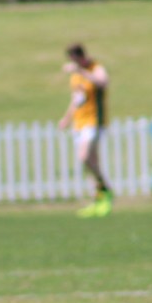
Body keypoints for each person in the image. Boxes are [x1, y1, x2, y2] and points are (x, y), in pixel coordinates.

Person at [57, 43, 113, 218]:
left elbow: (103, 82)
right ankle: (99, 200)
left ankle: (106, 189)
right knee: (90, 163)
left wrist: (82, 71)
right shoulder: (75, 76)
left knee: (84, 157)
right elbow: (76, 99)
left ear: (81, 57)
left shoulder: (95, 68)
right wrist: (67, 118)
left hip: (94, 120)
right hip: (79, 123)